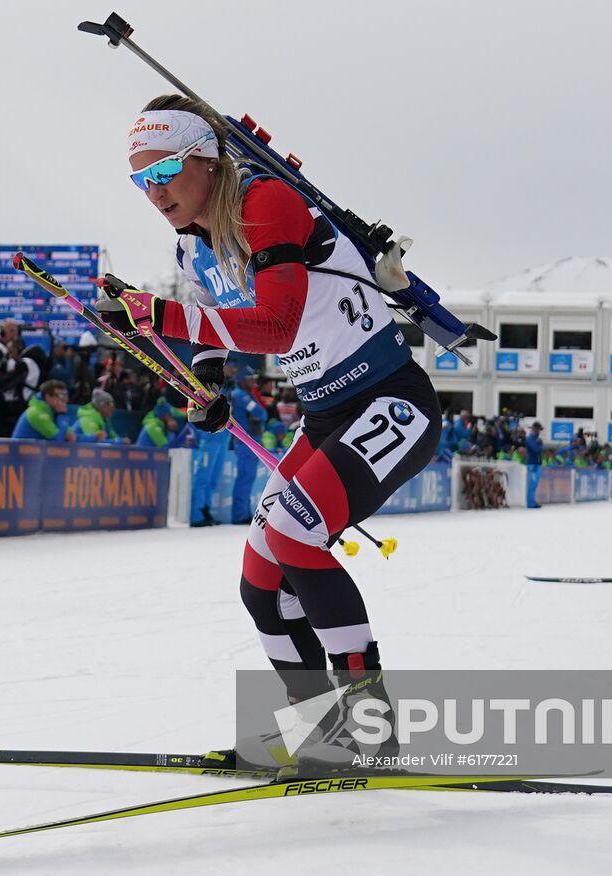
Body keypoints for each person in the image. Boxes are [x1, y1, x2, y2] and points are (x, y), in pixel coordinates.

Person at [100, 98, 442, 766]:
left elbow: (276, 326)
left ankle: (370, 728)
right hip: (325, 415)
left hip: (390, 401)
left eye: (167, 168)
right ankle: (319, 728)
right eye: (141, 178)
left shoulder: (266, 204)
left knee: (294, 536)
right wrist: (208, 386)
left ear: (205, 158)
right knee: (260, 579)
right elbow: (209, 318)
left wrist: (155, 314)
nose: (156, 190)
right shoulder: (191, 243)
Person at [228, 366, 268, 523]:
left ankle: (244, 512)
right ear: (243, 380)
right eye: (250, 378)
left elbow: (262, 414)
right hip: (246, 440)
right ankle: (239, 515)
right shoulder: (241, 395)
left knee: (248, 477)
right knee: (244, 477)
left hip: (252, 440)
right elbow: (261, 413)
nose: (253, 381)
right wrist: (259, 415)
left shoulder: (248, 394)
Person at [11, 379, 77, 441]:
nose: (64, 400)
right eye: (60, 396)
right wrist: (62, 414)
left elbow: (71, 437)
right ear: (48, 397)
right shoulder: (36, 413)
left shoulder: (53, 412)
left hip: (38, 451)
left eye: (66, 395)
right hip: (21, 452)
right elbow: (58, 443)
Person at [524, 422, 545, 509]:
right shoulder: (530, 438)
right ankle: (530, 503)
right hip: (533, 464)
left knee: (535, 484)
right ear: (535, 429)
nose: (539, 431)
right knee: (532, 484)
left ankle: (532, 501)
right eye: (539, 429)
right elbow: (535, 449)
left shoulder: (535, 438)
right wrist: (540, 444)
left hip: (537, 463)